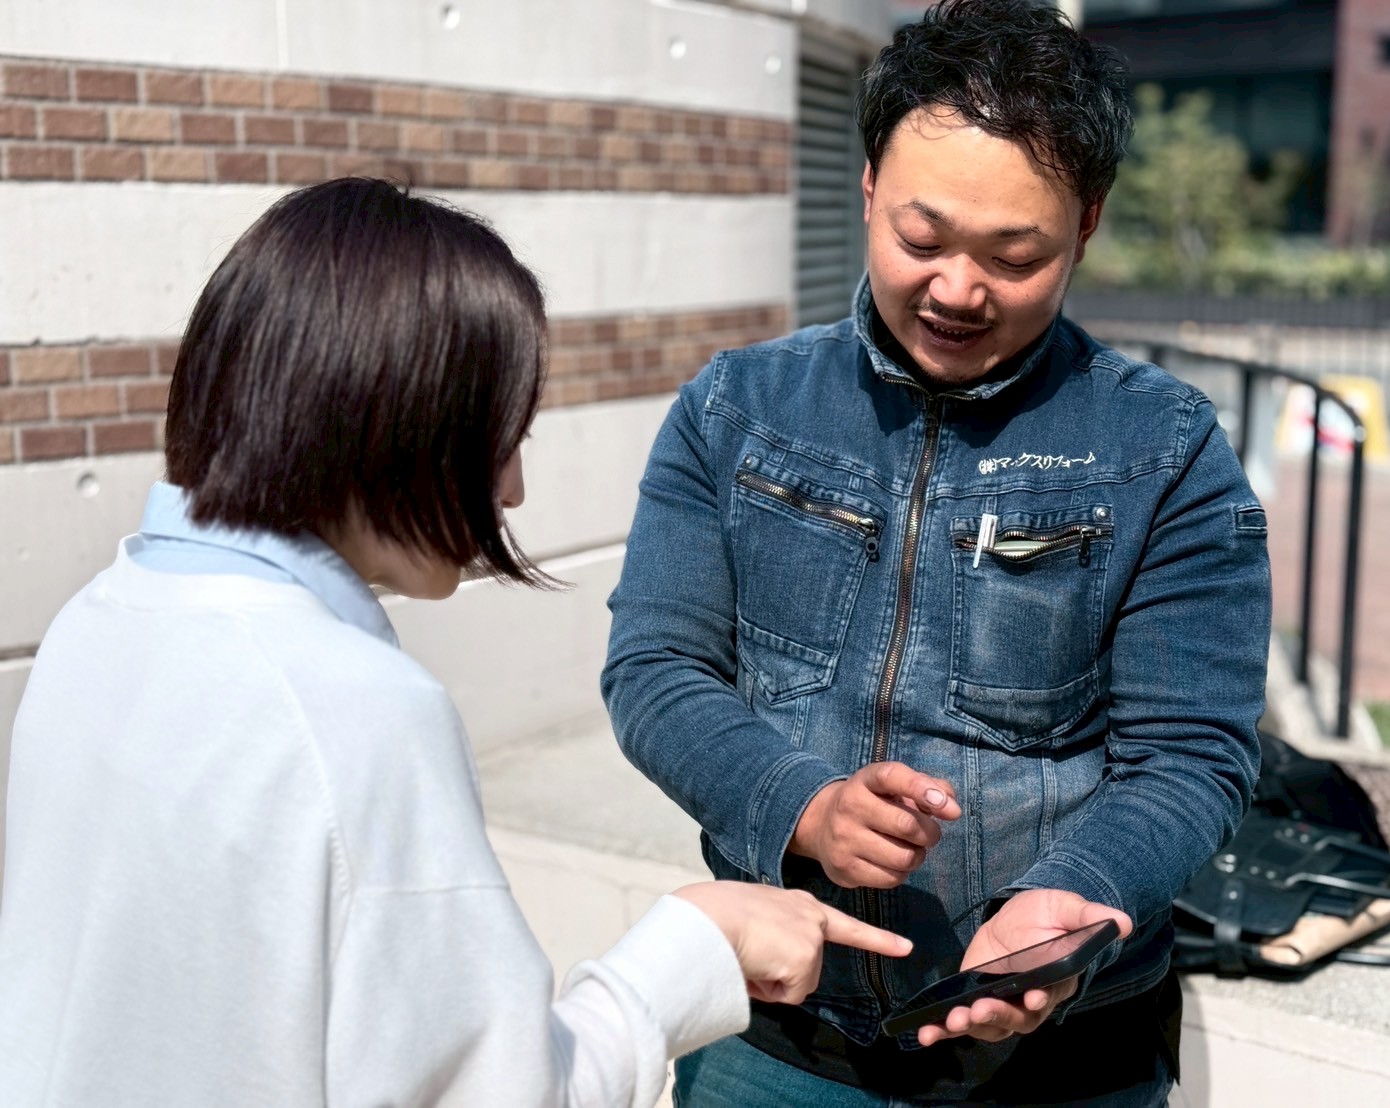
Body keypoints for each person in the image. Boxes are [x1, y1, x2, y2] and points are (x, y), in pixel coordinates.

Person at [0, 177, 914, 1107]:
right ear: (399, 425)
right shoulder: (353, 710)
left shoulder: (100, 619)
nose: (512, 490)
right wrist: (691, 945)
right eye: (502, 438)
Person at [602, 1, 1272, 1103]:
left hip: (1062, 1056)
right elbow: (654, 669)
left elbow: (1192, 753)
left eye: (1015, 256)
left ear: (1087, 223)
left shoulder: (1164, 449)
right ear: (866, 187)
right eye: (921, 239)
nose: (957, 290)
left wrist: (1079, 891)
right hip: (774, 1032)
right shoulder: (735, 408)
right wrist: (799, 805)